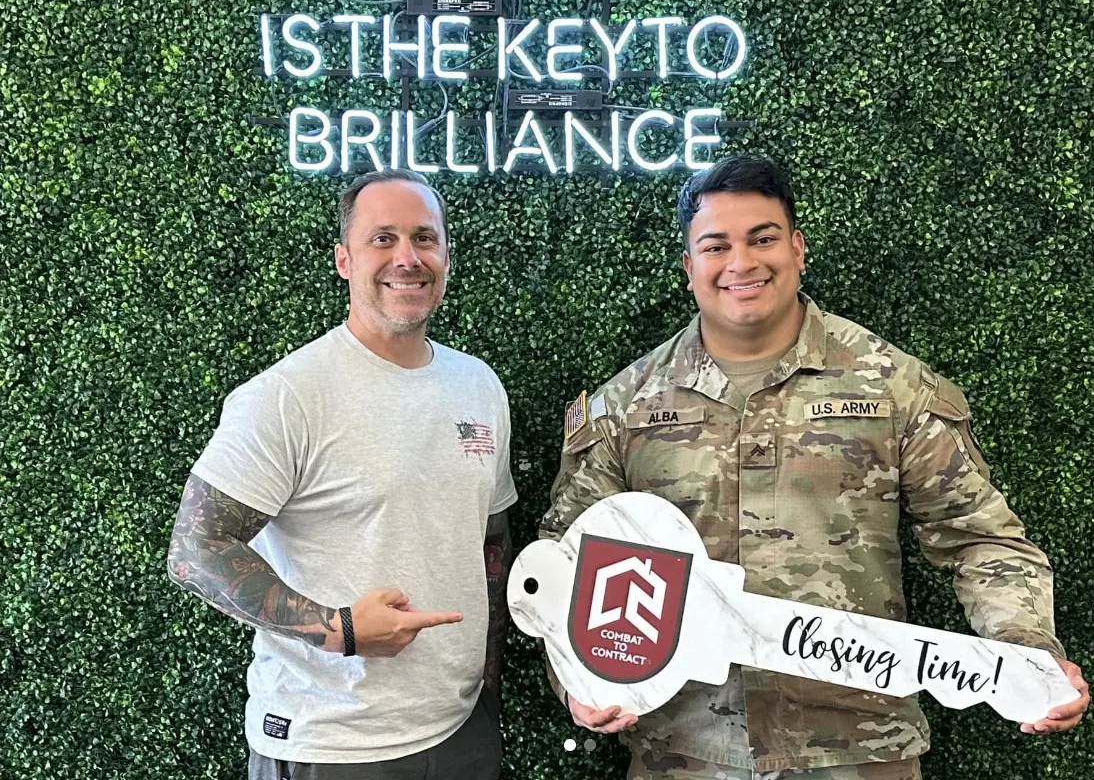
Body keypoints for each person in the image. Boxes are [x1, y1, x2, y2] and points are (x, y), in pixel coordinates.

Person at [540, 155, 1088, 780]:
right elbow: (566, 563)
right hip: (683, 749)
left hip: (859, 749)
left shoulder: (890, 386)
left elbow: (979, 539)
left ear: (797, 248)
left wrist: (1024, 652)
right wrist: (578, 678)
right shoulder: (626, 405)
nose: (742, 262)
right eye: (716, 246)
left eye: (763, 238)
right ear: (689, 266)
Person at [167, 169, 516, 780]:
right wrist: (339, 630)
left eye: (423, 238)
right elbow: (195, 550)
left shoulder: (478, 385)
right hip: (331, 743)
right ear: (344, 261)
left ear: (445, 256)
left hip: (460, 731)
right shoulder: (289, 396)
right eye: (382, 239)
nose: (406, 258)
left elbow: (488, 541)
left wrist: (485, 686)